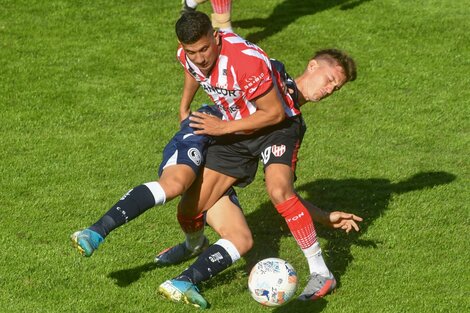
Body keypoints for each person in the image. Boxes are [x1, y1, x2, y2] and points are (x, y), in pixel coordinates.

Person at [156, 11, 359, 309]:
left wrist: (320, 217)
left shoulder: (292, 120)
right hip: (241, 133)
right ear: (312, 65)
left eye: (336, 88)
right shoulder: (265, 70)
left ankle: (321, 272)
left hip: (278, 128)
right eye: (329, 79)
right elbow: (198, 66)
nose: (329, 90)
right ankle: (192, 245)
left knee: (277, 190)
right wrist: (185, 106)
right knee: (190, 208)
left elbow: (284, 191)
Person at [70, 104, 229, 258]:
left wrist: (229, 129)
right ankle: (98, 230)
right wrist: (184, 107)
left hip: (239, 145)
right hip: (210, 123)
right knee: (174, 185)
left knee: (239, 237)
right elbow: (198, 75)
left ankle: (194, 248)